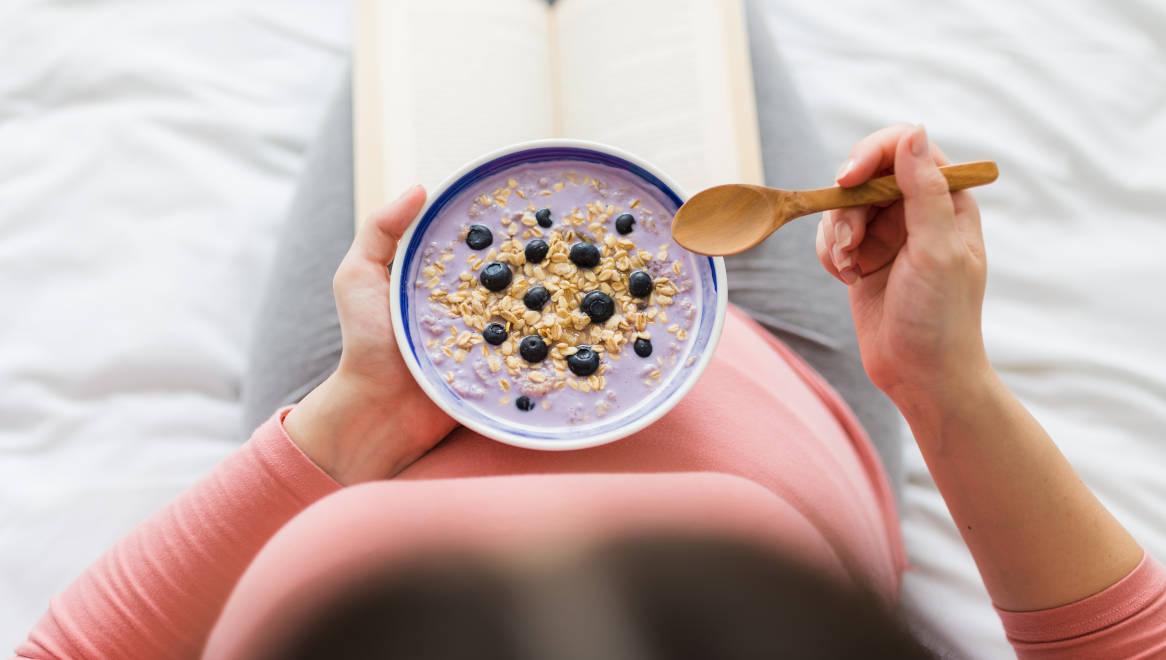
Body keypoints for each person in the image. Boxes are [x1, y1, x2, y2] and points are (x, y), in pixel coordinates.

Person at [15, 18, 1165, 658]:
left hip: (369, 393)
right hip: (779, 353)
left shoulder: (353, 419)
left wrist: (347, 420)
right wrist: (939, 383)